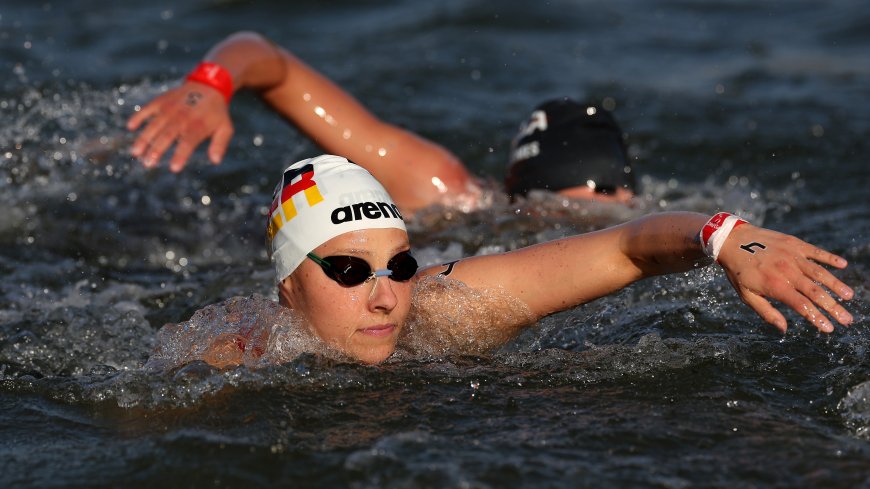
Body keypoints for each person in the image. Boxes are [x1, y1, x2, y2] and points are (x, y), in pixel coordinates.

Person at [158, 154, 853, 368]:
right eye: (347, 270)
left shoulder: (442, 311)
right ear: (288, 287)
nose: (384, 298)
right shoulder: (235, 356)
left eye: (398, 266)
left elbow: (624, 245)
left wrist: (728, 237)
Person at [127, 31, 636, 215]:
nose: (608, 214)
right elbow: (267, 60)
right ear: (513, 193)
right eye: (567, 213)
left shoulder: (652, 222)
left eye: (615, 203)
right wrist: (209, 85)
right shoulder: (440, 188)